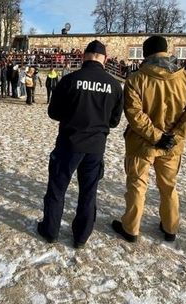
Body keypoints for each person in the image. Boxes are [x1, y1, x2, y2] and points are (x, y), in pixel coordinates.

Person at [112, 35, 186, 243]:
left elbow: (134, 114)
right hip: (172, 146)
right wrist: (175, 135)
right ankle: (171, 226)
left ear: (146, 54)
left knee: (137, 186)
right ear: (167, 51)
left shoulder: (136, 79)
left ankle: (131, 227)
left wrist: (157, 136)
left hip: (141, 143)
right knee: (169, 186)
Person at [37, 40, 124, 249]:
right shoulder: (114, 85)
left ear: (84, 56)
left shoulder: (69, 80)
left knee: (57, 189)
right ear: (105, 58)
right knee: (88, 192)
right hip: (95, 147)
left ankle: (51, 231)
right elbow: (114, 120)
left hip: (69, 142)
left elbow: (53, 112)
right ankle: (81, 236)